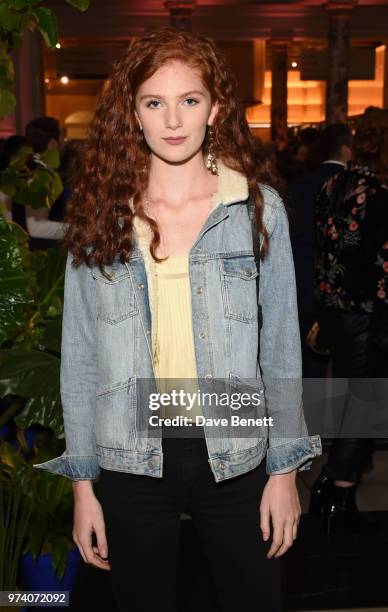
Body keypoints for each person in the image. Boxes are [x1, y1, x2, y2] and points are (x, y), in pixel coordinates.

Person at [33, 28, 321, 612]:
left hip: (236, 449)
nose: (173, 120)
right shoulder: (103, 217)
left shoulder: (258, 210)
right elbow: (81, 357)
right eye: (154, 102)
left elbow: (282, 351)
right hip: (129, 454)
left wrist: (285, 471)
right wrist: (83, 487)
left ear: (215, 108)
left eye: (189, 100)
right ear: (132, 113)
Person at [311, 109, 388, 533]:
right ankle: (337, 492)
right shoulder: (378, 193)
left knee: (351, 400)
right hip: (367, 314)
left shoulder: (332, 185)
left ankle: (331, 483)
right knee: (366, 404)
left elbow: (324, 252)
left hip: (334, 311)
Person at [287, 123, 353, 377]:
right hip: (345, 291)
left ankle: (310, 416)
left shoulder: (299, 186)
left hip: (304, 285)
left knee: (309, 368)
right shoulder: (356, 187)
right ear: (347, 149)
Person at [12, 116, 66, 250]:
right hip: (39, 252)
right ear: (53, 143)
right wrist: (78, 230)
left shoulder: (25, 169)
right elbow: (37, 228)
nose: (63, 144)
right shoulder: (39, 175)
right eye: (62, 139)